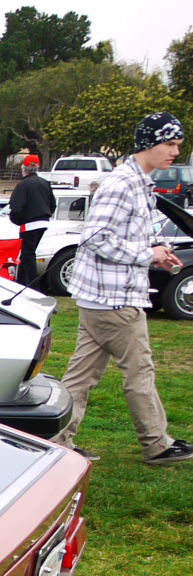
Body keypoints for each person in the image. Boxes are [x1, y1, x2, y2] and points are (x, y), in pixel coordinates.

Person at [54, 112, 192, 465]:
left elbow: (122, 236)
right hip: (115, 300)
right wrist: (147, 255)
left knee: (80, 377)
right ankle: (156, 443)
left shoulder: (136, 181)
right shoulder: (122, 184)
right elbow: (95, 237)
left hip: (100, 298)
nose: (176, 151)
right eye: (170, 144)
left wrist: (156, 253)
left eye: (178, 144)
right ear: (149, 143)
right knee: (140, 371)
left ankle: (57, 441)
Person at [8, 164, 55, 287]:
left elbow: (16, 207)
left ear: (24, 170)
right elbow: (52, 204)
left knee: (28, 255)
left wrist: (17, 220)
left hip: (29, 224)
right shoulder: (45, 183)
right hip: (43, 222)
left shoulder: (23, 185)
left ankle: (33, 286)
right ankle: (21, 282)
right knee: (26, 254)